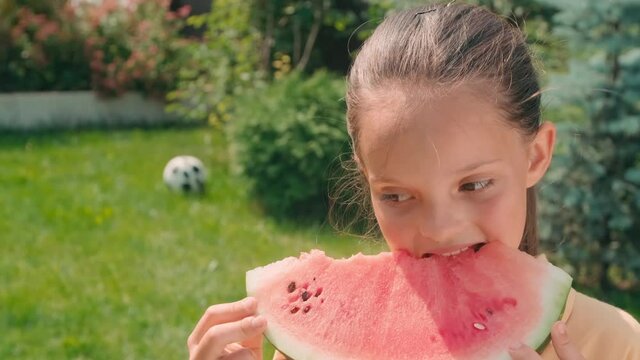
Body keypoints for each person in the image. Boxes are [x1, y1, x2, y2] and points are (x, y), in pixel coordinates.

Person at [187, 2, 640, 359]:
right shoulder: (307, 352)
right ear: (367, 180)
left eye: (474, 184)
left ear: (536, 155)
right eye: (398, 194)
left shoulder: (618, 345)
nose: (440, 228)